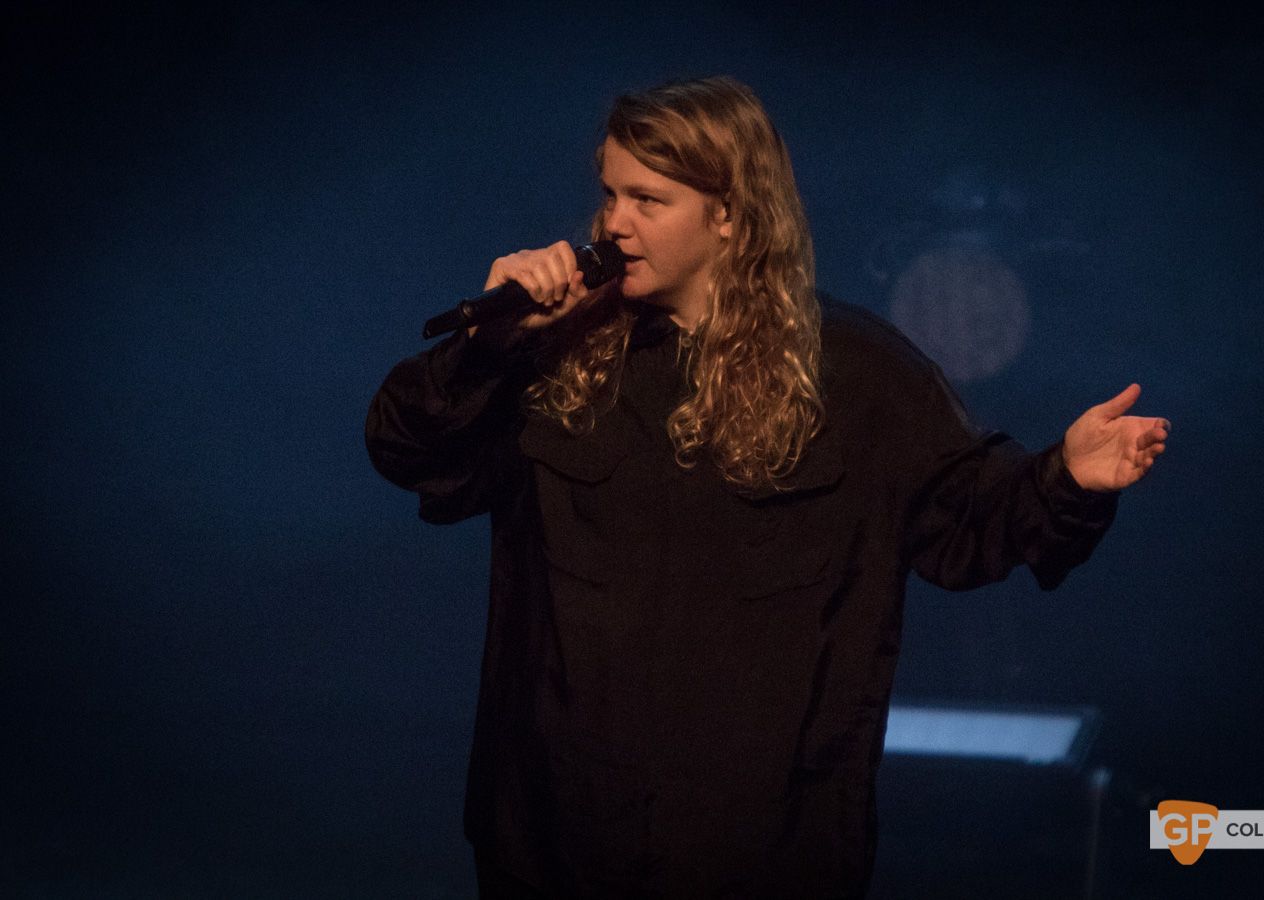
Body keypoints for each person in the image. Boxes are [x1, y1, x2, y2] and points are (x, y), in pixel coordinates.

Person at [365, 76, 1169, 899]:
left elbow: (972, 525)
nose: (613, 223)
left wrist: (1068, 475)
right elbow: (406, 449)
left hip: (765, 847)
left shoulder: (855, 375)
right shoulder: (549, 355)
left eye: (649, 199)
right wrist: (487, 347)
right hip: (555, 841)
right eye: (610, 195)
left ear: (727, 212)